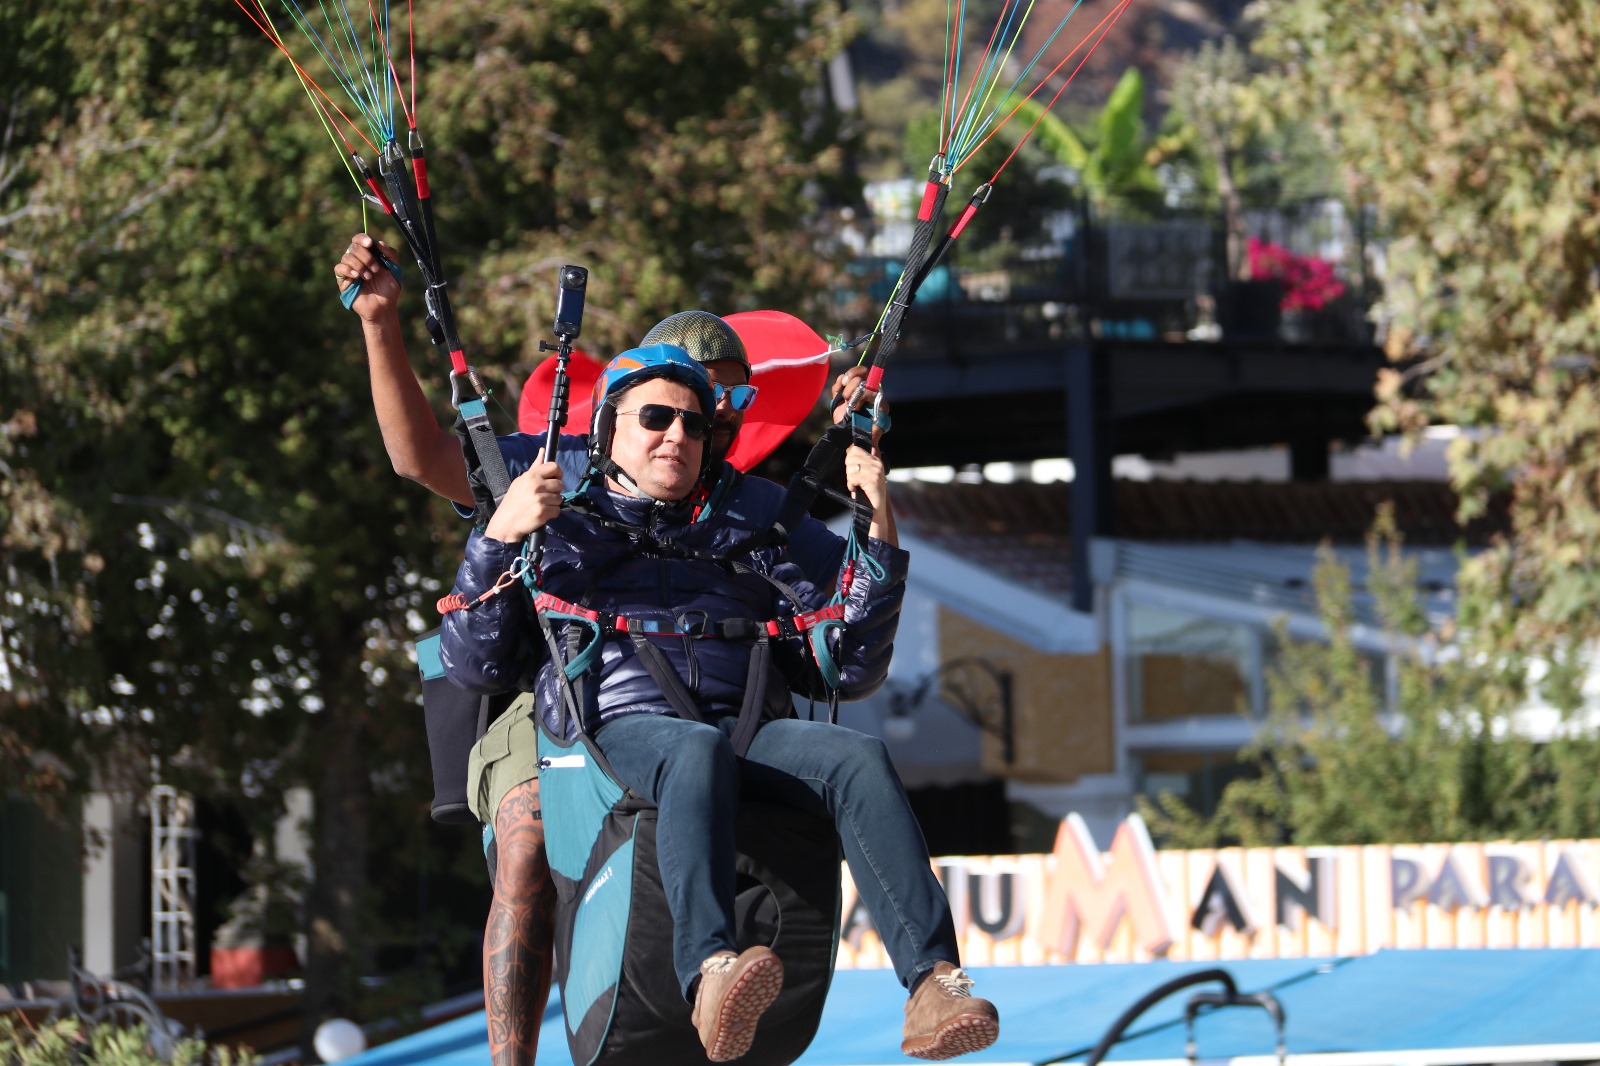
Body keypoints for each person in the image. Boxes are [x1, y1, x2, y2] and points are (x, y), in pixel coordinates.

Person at [332, 234, 882, 1066]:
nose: (705, 421)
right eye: (683, 404)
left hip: (705, 699)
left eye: (723, 404)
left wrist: (865, 463)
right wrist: (381, 325)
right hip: (557, 682)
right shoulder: (574, 462)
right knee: (526, 833)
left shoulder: (746, 499)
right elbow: (423, 459)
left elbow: (854, 616)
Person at [439, 345, 1001, 1062]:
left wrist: (877, 525)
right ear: (609, 428)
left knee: (856, 756)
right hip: (616, 728)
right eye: (655, 418)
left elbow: (851, 664)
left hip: (745, 728)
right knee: (691, 749)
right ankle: (709, 970)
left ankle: (931, 984)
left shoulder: (756, 521)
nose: (676, 435)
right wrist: (499, 535)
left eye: (694, 425)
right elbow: (473, 663)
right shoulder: (560, 515)